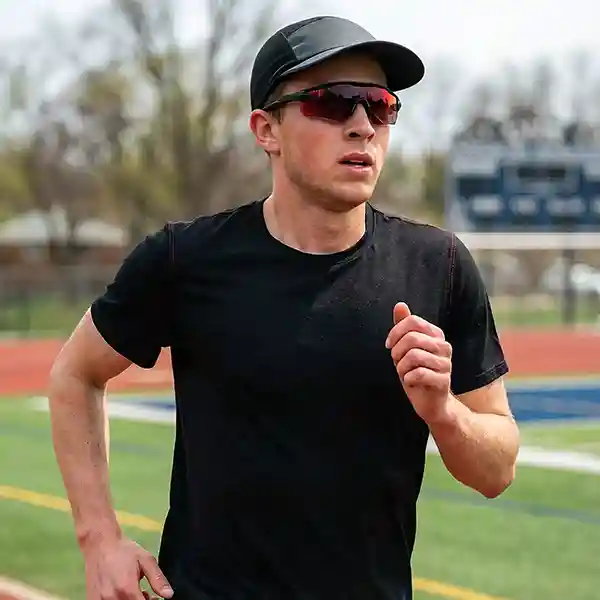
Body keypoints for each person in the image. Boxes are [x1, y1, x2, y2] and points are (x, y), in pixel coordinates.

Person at [48, 15, 520, 600]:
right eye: (333, 102)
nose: (362, 126)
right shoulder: (184, 259)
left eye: (379, 106)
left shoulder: (438, 266)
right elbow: (75, 374)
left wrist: (445, 413)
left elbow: (497, 471)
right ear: (266, 129)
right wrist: (99, 539)